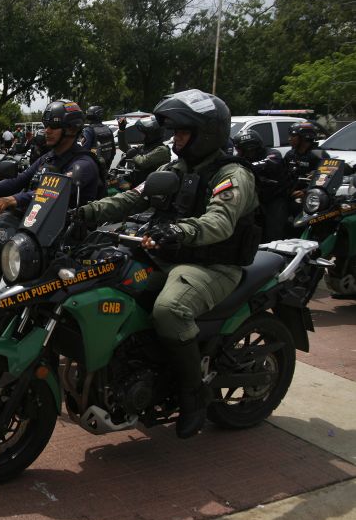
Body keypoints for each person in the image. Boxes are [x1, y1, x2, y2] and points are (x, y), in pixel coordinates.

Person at [72, 89, 260, 439]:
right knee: (108, 280)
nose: (176, 139)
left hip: (213, 266)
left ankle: (194, 396)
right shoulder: (174, 168)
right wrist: (85, 212)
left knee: (169, 309)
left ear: (205, 133)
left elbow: (219, 223)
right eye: (174, 132)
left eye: (183, 132)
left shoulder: (232, 175)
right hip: (166, 256)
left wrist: (180, 231)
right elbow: (133, 197)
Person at [0, 99, 101, 214]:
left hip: (67, 239)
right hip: (37, 226)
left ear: (72, 128)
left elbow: (55, 192)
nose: (47, 131)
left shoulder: (83, 164)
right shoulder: (48, 158)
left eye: (53, 126)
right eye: (46, 125)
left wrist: (14, 199)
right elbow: (17, 182)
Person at [233, 128, 291, 242]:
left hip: (274, 197)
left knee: (273, 230)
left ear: (250, 148)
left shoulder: (272, 154)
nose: (238, 152)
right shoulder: (242, 159)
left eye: (240, 149)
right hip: (255, 197)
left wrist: (246, 167)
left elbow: (270, 163)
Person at [117, 116, 171, 187]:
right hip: (139, 184)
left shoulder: (162, 150)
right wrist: (121, 130)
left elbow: (143, 162)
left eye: (146, 134)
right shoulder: (145, 147)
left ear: (154, 134)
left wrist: (134, 155)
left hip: (153, 188)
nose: (143, 136)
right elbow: (124, 148)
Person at [81, 105, 116, 172]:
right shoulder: (108, 129)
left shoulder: (89, 130)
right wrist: (106, 166)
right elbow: (113, 151)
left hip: (92, 168)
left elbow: (84, 152)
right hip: (104, 168)